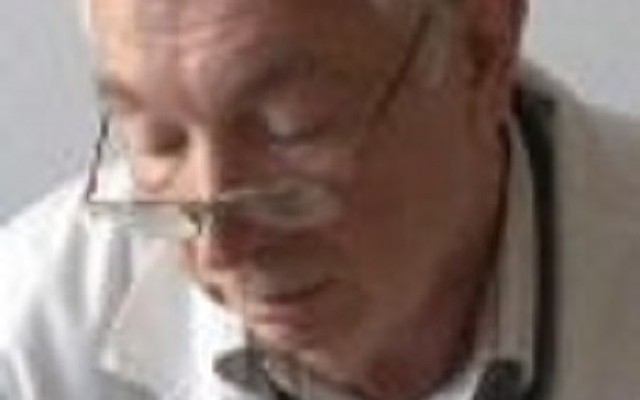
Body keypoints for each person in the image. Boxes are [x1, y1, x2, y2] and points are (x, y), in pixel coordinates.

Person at [0, 0, 639, 399]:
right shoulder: (29, 336)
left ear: (480, 53)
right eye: (158, 142)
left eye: (291, 127)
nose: (219, 247)